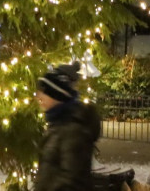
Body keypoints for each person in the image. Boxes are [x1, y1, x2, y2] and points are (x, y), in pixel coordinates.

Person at [34, 62, 100, 191]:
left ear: (57, 95)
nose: (38, 97)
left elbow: (73, 183)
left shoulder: (73, 130)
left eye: (44, 92)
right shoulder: (58, 125)